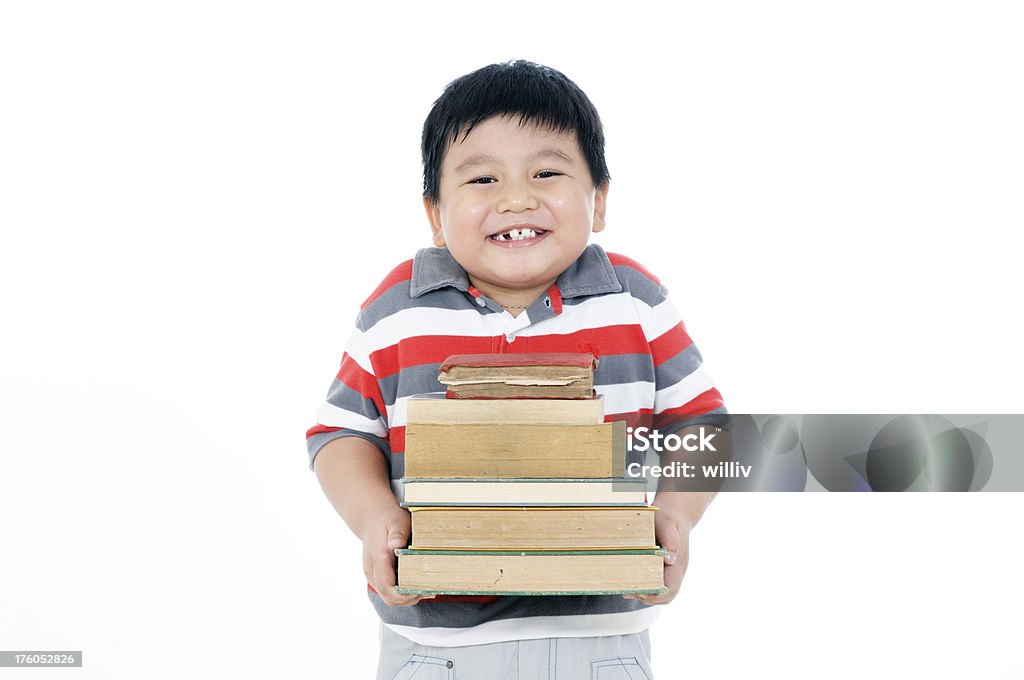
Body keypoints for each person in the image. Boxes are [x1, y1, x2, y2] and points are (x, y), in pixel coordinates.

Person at [307, 60, 726, 679]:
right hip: (438, 647)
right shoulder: (398, 308)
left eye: (547, 172)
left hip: (599, 640)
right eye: (481, 179)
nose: (516, 198)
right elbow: (340, 434)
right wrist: (374, 516)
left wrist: (678, 512)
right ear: (434, 212)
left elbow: (702, 422)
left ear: (600, 199)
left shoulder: (634, 300)